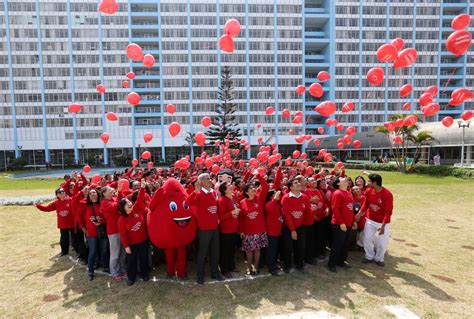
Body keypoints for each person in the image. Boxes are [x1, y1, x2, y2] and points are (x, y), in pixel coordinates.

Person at [187, 173, 225, 284]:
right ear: (202, 182)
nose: (211, 180)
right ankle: (200, 275)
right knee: (202, 252)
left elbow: (215, 208)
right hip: (204, 229)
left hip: (214, 227)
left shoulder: (213, 192)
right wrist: (195, 191)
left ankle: (215, 273)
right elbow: (187, 203)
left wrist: (217, 218)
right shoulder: (198, 194)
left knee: (215, 251)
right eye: (208, 179)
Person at [118, 180, 150, 286]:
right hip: (132, 244)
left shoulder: (136, 208)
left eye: (130, 202)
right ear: (123, 208)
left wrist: (142, 188)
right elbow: (123, 234)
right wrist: (126, 246)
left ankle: (145, 274)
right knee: (132, 261)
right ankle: (131, 278)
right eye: (127, 204)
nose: (130, 203)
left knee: (144, 258)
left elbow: (140, 198)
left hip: (143, 240)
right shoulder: (122, 220)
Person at [239, 171, 269, 275]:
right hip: (248, 231)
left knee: (257, 250)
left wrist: (258, 176)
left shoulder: (260, 198)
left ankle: (255, 267)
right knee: (248, 251)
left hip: (259, 229)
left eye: (254, 187)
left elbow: (265, 186)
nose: (254, 189)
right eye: (251, 188)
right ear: (246, 192)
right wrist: (241, 230)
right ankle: (249, 267)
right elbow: (241, 218)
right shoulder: (242, 202)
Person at [361, 173, 394, 267]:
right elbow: (365, 204)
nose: (367, 183)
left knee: (382, 242)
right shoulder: (368, 191)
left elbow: (388, 212)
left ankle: (379, 258)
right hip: (370, 220)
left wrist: (383, 226)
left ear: (374, 183)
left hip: (382, 223)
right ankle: (369, 256)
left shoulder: (387, 194)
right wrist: (360, 213)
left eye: (369, 181)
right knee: (367, 238)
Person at [281, 179, 311, 273]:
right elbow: (287, 215)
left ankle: (299, 264)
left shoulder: (305, 197)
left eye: (299, 182)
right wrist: (293, 230)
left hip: (301, 226)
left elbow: (307, 212)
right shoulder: (286, 198)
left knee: (301, 246)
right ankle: (287, 265)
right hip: (288, 227)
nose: (299, 184)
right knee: (288, 247)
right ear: (291, 187)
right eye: (296, 183)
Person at [35, 188, 75, 256]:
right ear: (57, 195)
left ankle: (78, 252)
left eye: (63, 191)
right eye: (60, 192)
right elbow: (47, 208)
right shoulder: (56, 203)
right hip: (63, 225)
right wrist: (38, 206)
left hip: (72, 224)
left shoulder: (70, 200)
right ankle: (64, 252)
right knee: (64, 239)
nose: (62, 193)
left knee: (76, 239)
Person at [328, 177, 357, 273]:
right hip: (339, 224)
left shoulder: (348, 192)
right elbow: (335, 209)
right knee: (337, 244)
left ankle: (341, 261)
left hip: (348, 223)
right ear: (338, 184)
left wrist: (353, 221)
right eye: (343, 179)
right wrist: (341, 223)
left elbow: (350, 209)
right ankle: (332, 264)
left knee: (345, 244)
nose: (347, 180)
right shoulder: (337, 193)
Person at [80, 188, 108, 281]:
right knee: (92, 252)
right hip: (91, 233)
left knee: (104, 250)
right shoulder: (85, 205)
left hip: (102, 232)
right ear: (88, 196)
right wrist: (84, 229)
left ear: (98, 194)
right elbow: (79, 217)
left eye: (94, 192)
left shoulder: (102, 204)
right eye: (90, 193)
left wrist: (101, 222)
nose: (92, 194)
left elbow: (106, 218)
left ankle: (106, 267)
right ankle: (90, 271)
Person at [100, 185, 126, 282]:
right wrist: (119, 193)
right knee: (115, 254)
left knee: (123, 253)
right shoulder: (104, 202)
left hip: (122, 229)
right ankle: (115, 272)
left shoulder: (114, 198)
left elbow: (122, 203)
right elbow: (115, 207)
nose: (112, 191)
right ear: (104, 193)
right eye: (110, 190)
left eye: (112, 190)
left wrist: (119, 194)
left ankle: (122, 269)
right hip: (113, 231)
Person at [217, 182, 240, 278]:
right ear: (224, 190)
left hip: (234, 229)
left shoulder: (234, 197)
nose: (231, 186)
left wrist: (236, 212)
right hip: (226, 230)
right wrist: (231, 213)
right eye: (229, 186)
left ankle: (231, 266)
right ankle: (224, 269)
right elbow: (220, 217)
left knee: (232, 249)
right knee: (225, 250)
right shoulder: (222, 200)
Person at [264, 189, 283, 276]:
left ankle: (274, 264)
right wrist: (275, 199)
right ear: (271, 196)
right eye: (275, 194)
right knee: (272, 250)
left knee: (275, 250)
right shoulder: (269, 204)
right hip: (271, 231)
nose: (277, 196)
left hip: (277, 230)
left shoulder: (277, 204)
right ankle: (271, 268)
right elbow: (269, 208)